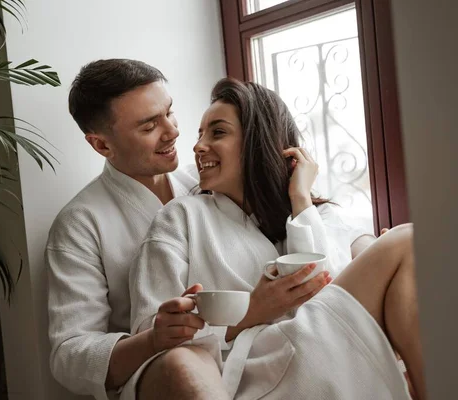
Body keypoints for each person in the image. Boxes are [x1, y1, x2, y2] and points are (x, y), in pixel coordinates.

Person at [45, 60, 329, 400]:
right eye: (149, 126)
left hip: (249, 351)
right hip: (158, 370)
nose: (173, 132)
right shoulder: (79, 224)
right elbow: (69, 355)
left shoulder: (211, 179)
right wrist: (153, 339)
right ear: (102, 145)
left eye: (170, 112)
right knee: (183, 363)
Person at [130, 78, 426, 400]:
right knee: (406, 239)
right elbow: (150, 332)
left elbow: (324, 290)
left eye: (217, 132)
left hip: (328, 345)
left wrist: (300, 198)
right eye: (200, 134)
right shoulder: (180, 217)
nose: (198, 146)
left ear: (258, 142)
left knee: (408, 242)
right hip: (258, 368)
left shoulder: (319, 214)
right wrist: (249, 313)